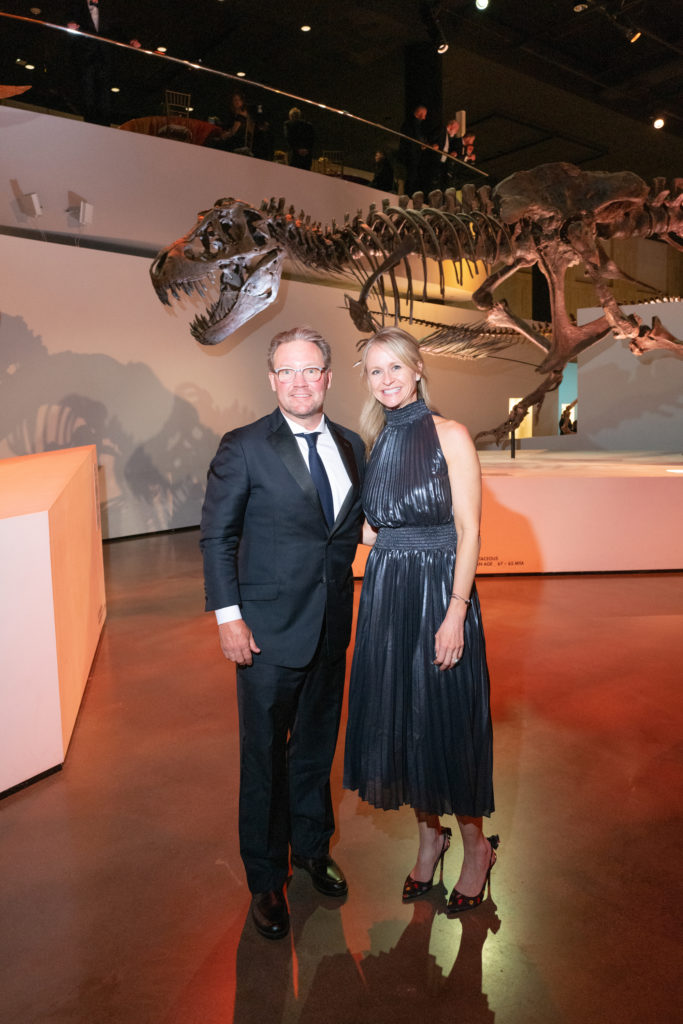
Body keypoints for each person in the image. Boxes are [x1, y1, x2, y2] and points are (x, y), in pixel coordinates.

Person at [200, 326, 365, 940]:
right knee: (264, 756)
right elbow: (217, 537)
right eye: (287, 371)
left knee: (317, 747)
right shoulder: (243, 447)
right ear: (272, 380)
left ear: (328, 376)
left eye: (311, 369)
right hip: (265, 633)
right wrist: (228, 618)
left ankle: (311, 849)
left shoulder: (350, 445)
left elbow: (345, 531)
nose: (300, 381)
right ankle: (266, 879)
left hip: (330, 628)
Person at [343, 327, 497, 916]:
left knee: (445, 722)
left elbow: (471, 529)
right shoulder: (374, 442)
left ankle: (477, 845)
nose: (385, 380)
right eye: (374, 371)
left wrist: (456, 612)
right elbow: (371, 527)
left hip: (439, 593)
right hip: (388, 594)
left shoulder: (450, 434)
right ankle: (430, 837)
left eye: (394, 368)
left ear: (417, 368)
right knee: (402, 720)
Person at [66, 1, 141, 125]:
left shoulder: (108, 9)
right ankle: (89, 120)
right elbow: (67, 20)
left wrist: (131, 39)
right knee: (87, 87)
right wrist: (70, 25)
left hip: (104, 55)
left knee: (104, 88)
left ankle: (105, 122)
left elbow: (118, 27)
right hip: (85, 54)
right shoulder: (77, 6)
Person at [399, 103, 431, 195]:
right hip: (411, 155)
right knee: (411, 177)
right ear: (420, 113)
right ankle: (408, 196)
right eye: (424, 114)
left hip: (414, 155)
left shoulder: (414, 124)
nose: (425, 117)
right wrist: (421, 144)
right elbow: (411, 139)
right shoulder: (410, 124)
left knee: (414, 177)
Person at [438, 116, 465, 191]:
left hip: (444, 161)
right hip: (437, 159)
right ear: (451, 126)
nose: (456, 132)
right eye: (456, 129)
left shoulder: (450, 137)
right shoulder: (441, 131)